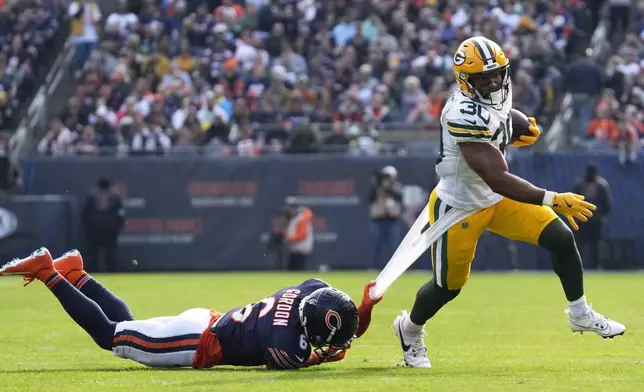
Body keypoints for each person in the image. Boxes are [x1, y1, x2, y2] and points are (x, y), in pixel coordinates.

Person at [392, 36, 626, 369]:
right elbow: (496, 176)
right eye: (482, 78)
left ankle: (580, 313)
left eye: (496, 74)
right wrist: (551, 198)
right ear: (465, 81)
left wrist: (520, 123)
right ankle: (410, 329)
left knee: (560, 237)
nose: (491, 82)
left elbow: (501, 112)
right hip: (461, 206)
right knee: (448, 287)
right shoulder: (460, 112)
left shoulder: (497, 87)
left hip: (496, 199)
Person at [0, 248, 382, 369]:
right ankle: (49, 272)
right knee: (110, 336)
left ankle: (76, 274)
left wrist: (363, 308)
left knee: (129, 327)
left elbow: (339, 322)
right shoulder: (288, 343)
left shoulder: (310, 289)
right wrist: (327, 357)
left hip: (205, 320)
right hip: (198, 342)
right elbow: (315, 352)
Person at [572, 163, 612, 269]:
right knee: (581, 245)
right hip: (584, 220)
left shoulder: (599, 185)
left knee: (595, 246)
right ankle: (579, 265)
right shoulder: (583, 185)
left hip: (593, 221)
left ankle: (595, 266)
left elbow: (606, 204)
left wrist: (601, 215)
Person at [82, 177, 125, 272]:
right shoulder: (114, 196)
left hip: (96, 228)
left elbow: (86, 213)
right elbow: (120, 212)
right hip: (109, 228)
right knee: (109, 252)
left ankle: (94, 270)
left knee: (94, 252)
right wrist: (120, 224)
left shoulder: (93, 196)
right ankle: (111, 270)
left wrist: (87, 225)